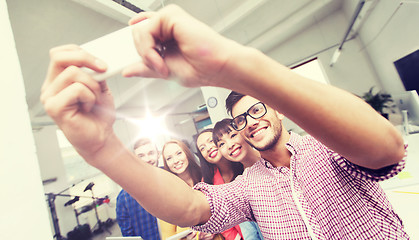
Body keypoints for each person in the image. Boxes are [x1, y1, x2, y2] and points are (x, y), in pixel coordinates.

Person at [40, 4, 408, 239]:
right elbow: (191, 208)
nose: (250, 122)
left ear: (277, 109)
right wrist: (102, 149)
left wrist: (236, 65)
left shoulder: (327, 150)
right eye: (240, 120)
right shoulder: (251, 186)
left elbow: (385, 149)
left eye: (258, 109)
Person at [212, 119, 263, 240]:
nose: (230, 145)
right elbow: (250, 234)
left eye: (233, 135)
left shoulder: (273, 158)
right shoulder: (240, 187)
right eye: (222, 144)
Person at [160, 139, 220, 240]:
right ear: (166, 164)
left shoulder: (207, 176)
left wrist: (215, 230)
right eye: (169, 158)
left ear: (186, 153)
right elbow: (168, 237)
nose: (176, 160)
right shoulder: (167, 196)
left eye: (179, 153)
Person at [195, 129, 243, 240]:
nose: (208, 148)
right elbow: (220, 219)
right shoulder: (207, 183)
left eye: (211, 141)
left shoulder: (243, 161)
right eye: (202, 148)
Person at [115, 138, 160, 239]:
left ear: (158, 154)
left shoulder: (174, 179)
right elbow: (128, 235)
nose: (147, 159)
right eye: (141, 156)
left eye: (151, 153)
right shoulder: (124, 198)